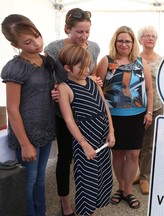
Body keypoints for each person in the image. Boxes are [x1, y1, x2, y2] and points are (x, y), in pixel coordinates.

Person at [44, 8, 100, 215]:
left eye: (87, 32)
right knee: (66, 156)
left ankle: (85, 196)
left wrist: (94, 80)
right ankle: (64, 200)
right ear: (68, 29)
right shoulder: (53, 48)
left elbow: (89, 74)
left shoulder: (94, 48)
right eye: (79, 32)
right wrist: (57, 88)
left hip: (86, 113)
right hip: (63, 111)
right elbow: (48, 78)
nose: (83, 37)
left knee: (86, 157)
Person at [1, 14, 56, 216]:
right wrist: (24, 143)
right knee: (29, 182)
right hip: (27, 133)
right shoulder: (15, 68)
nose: (36, 43)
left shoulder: (47, 62)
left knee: (40, 179)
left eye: (37, 36)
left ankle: (40, 213)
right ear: (15, 44)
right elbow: (12, 109)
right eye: (28, 42)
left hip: (46, 128)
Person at [96, 25, 153, 209]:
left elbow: (149, 90)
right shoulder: (106, 61)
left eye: (128, 41)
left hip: (136, 115)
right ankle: (121, 187)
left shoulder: (140, 62)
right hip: (113, 117)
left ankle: (128, 190)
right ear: (115, 42)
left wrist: (149, 112)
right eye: (120, 40)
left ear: (133, 43)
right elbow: (96, 85)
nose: (124, 44)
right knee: (118, 153)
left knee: (134, 154)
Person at [57, 44, 115, 216]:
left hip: (103, 138)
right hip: (85, 140)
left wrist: (111, 131)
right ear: (67, 68)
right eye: (81, 67)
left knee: (102, 179)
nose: (86, 70)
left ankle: (93, 211)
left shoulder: (92, 81)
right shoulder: (64, 88)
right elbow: (68, 120)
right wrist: (84, 144)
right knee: (87, 182)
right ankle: (85, 212)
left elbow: (105, 107)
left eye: (87, 66)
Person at [133, 25, 164, 195]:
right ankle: (140, 171)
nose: (150, 38)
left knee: (149, 144)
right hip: (136, 107)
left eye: (153, 35)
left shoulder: (162, 60)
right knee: (136, 142)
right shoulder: (134, 59)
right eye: (146, 35)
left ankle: (145, 177)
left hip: (157, 106)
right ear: (140, 39)